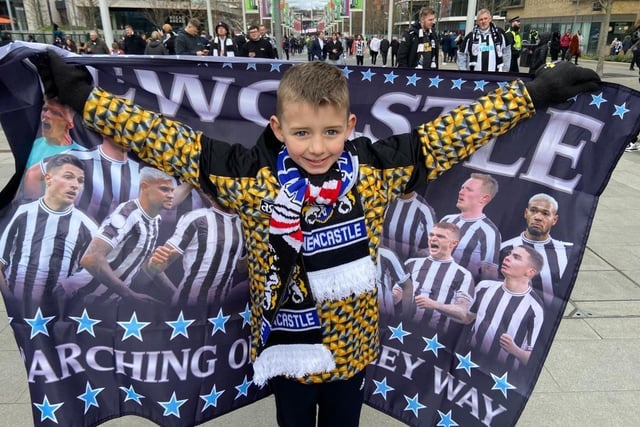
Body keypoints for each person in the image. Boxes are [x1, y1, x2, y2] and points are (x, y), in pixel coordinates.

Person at [38, 48, 600, 427]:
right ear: (279, 129)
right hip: (286, 348)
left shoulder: (377, 171)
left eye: (331, 132)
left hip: (352, 350)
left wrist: (534, 93)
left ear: (350, 128)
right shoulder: (247, 175)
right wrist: (89, 101)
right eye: (302, 132)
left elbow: (452, 133)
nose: (316, 146)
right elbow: (169, 141)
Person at [0, 154, 97, 312]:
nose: (75, 185)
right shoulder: (22, 213)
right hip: (22, 309)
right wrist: (11, 299)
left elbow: (98, 269)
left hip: (63, 312)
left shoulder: (87, 225)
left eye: (80, 181)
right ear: (48, 178)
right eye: (68, 177)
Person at [75, 167, 176, 306]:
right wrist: (129, 295)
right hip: (79, 297)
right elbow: (91, 259)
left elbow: (143, 259)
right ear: (144, 187)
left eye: (172, 190)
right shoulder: (127, 214)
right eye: (164, 189)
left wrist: (175, 294)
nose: (171, 195)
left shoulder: (155, 219)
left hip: (106, 303)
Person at [147, 191, 246, 307]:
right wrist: (155, 263)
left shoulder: (242, 225)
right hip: (186, 310)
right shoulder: (197, 218)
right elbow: (156, 266)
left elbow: (240, 267)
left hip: (220, 314)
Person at [459, 245, 545, 377]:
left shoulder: (535, 308)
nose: (507, 258)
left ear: (530, 272)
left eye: (516, 257)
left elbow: (533, 359)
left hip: (501, 376)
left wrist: (514, 350)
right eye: (509, 254)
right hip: (467, 362)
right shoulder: (484, 287)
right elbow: (466, 318)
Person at [500, 194, 572, 309]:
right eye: (533, 211)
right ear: (526, 213)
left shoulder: (567, 252)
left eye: (545, 213)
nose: (538, 217)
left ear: (554, 220)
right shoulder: (503, 249)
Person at [408, 222, 474, 347]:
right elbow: (393, 297)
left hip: (432, 341)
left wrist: (435, 305)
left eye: (440, 236)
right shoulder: (411, 264)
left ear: (453, 243)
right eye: (431, 235)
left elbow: (462, 313)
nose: (433, 238)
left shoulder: (463, 275)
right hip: (399, 330)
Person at [441, 173, 501, 283]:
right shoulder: (447, 220)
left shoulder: (489, 232)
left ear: (484, 198)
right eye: (462, 188)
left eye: (468, 189)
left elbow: (488, 273)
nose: (461, 192)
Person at [25, 98, 85, 169]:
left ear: (70, 124)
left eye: (55, 113)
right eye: (45, 109)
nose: (46, 115)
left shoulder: (81, 156)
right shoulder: (35, 144)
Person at [381, 191, 436, 261]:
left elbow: (435, 245)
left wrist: (419, 255)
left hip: (407, 264)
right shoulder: (385, 201)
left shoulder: (424, 208)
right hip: (382, 259)